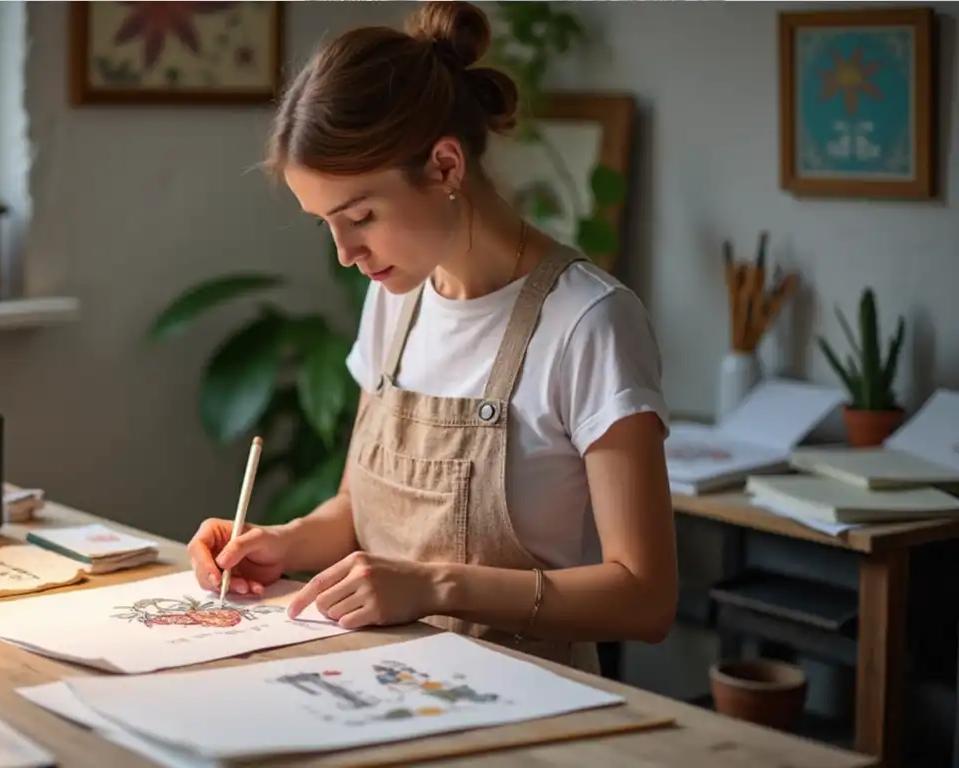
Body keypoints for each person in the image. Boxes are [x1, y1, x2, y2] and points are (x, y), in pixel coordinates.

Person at [186, 0, 677, 674]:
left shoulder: (589, 322)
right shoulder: (398, 299)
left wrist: (433, 586)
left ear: (446, 167)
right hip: (381, 684)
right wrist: (285, 542)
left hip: (525, 707)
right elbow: (360, 508)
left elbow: (644, 598)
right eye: (325, 223)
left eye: (360, 215)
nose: (345, 253)